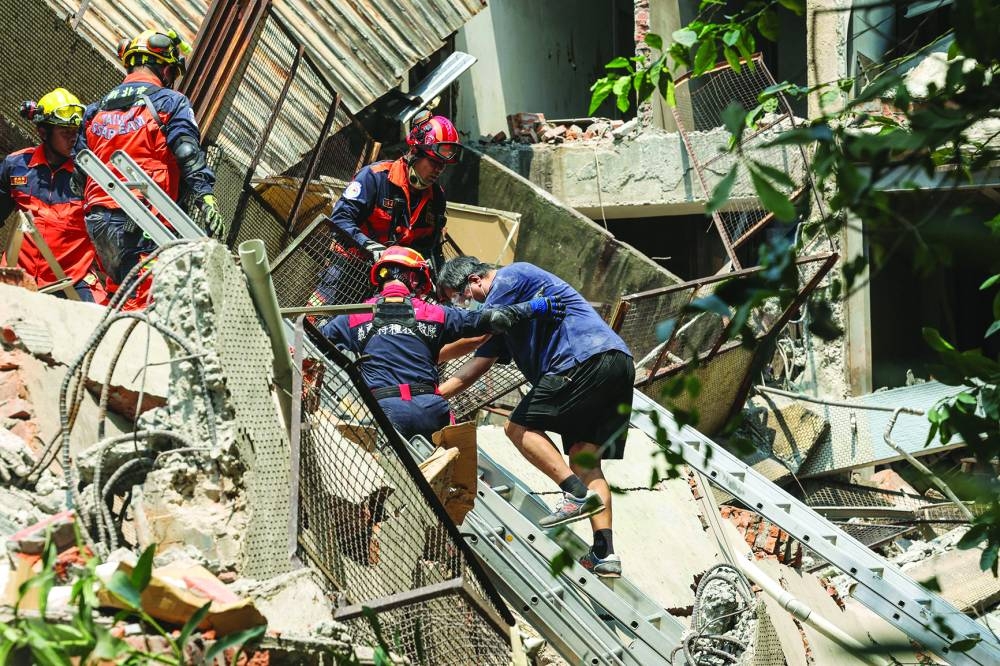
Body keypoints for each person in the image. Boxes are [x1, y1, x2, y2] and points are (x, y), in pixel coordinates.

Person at [436, 257, 635, 578]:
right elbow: (476, 366)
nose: (465, 304)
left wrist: (423, 348)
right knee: (585, 460)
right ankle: (605, 552)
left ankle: (575, 494)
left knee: (517, 428)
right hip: (616, 365)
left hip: (579, 359)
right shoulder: (506, 320)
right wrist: (434, 395)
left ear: (474, 279)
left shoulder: (511, 277)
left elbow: (476, 335)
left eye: (461, 296)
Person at [319, 246, 564, 441]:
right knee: (451, 490)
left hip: (386, 411)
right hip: (434, 410)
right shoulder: (434, 313)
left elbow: (314, 341)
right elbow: (493, 319)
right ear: (414, 280)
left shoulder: (353, 316)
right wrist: (536, 307)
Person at [76, 28, 223, 308]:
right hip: (143, 220)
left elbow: (78, 172)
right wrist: (206, 197)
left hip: (97, 220)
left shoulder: (95, 110)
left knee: (118, 291)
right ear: (164, 67)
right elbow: (187, 151)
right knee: (144, 304)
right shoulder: (169, 102)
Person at [311, 113, 461, 306]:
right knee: (314, 320)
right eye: (434, 162)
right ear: (415, 152)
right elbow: (340, 220)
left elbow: (429, 248)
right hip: (348, 268)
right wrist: (369, 247)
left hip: (393, 280)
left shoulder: (437, 198)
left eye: (443, 166)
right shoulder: (375, 177)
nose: (439, 170)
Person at [0, 88, 106, 303]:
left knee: (99, 326)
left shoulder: (90, 175)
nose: (72, 139)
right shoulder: (16, 165)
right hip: (16, 275)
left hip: (71, 281)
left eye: (75, 132)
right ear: (43, 132)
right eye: (65, 132)